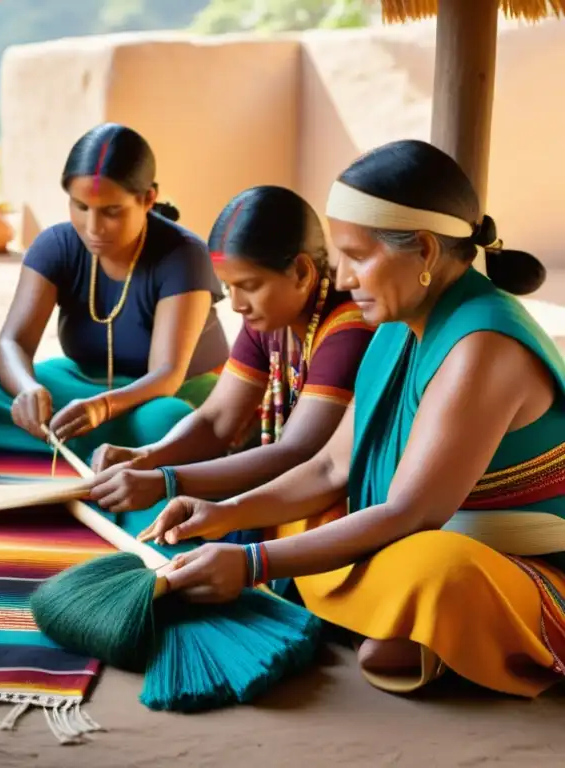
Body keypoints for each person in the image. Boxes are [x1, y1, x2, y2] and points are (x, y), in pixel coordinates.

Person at [141, 138, 565, 698]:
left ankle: (422, 625)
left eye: (357, 256)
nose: (340, 279)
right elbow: (329, 469)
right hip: (406, 535)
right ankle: (400, 626)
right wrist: (225, 512)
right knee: (301, 519)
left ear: (425, 251)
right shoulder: (396, 325)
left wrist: (250, 563)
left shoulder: (482, 345)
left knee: (439, 571)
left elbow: (411, 512)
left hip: (514, 564)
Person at [0, 123, 230, 472]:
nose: (93, 227)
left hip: (168, 393)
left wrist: (102, 409)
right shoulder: (56, 245)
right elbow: (13, 342)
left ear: (148, 199)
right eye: (80, 206)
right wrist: (27, 389)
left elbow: (167, 374)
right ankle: (96, 454)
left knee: (167, 423)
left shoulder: (184, 256)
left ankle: (69, 452)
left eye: (111, 211)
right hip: (82, 383)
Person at [87, 186, 374, 527]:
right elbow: (216, 420)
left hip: (334, 501)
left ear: (301, 272)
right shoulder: (268, 321)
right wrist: (146, 457)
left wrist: (167, 478)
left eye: (249, 286)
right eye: (228, 288)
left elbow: (296, 453)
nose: (236, 303)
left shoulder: (348, 331)